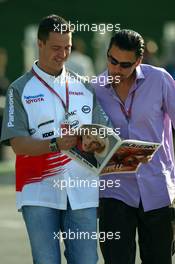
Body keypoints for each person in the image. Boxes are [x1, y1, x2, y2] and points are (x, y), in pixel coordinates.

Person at [0, 14, 110, 264]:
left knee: (86, 261)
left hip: (83, 191)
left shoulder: (85, 87)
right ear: (40, 44)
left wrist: (100, 141)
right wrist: (55, 144)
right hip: (38, 191)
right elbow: (17, 144)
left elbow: (105, 132)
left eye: (67, 48)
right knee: (46, 261)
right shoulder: (19, 88)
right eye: (56, 48)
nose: (62, 54)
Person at [93, 29, 175, 264]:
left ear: (138, 61)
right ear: (108, 54)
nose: (116, 69)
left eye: (125, 65)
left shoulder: (159, 79)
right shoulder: (95, 88)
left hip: (157, 189)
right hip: (114, 191)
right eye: (112, 60)